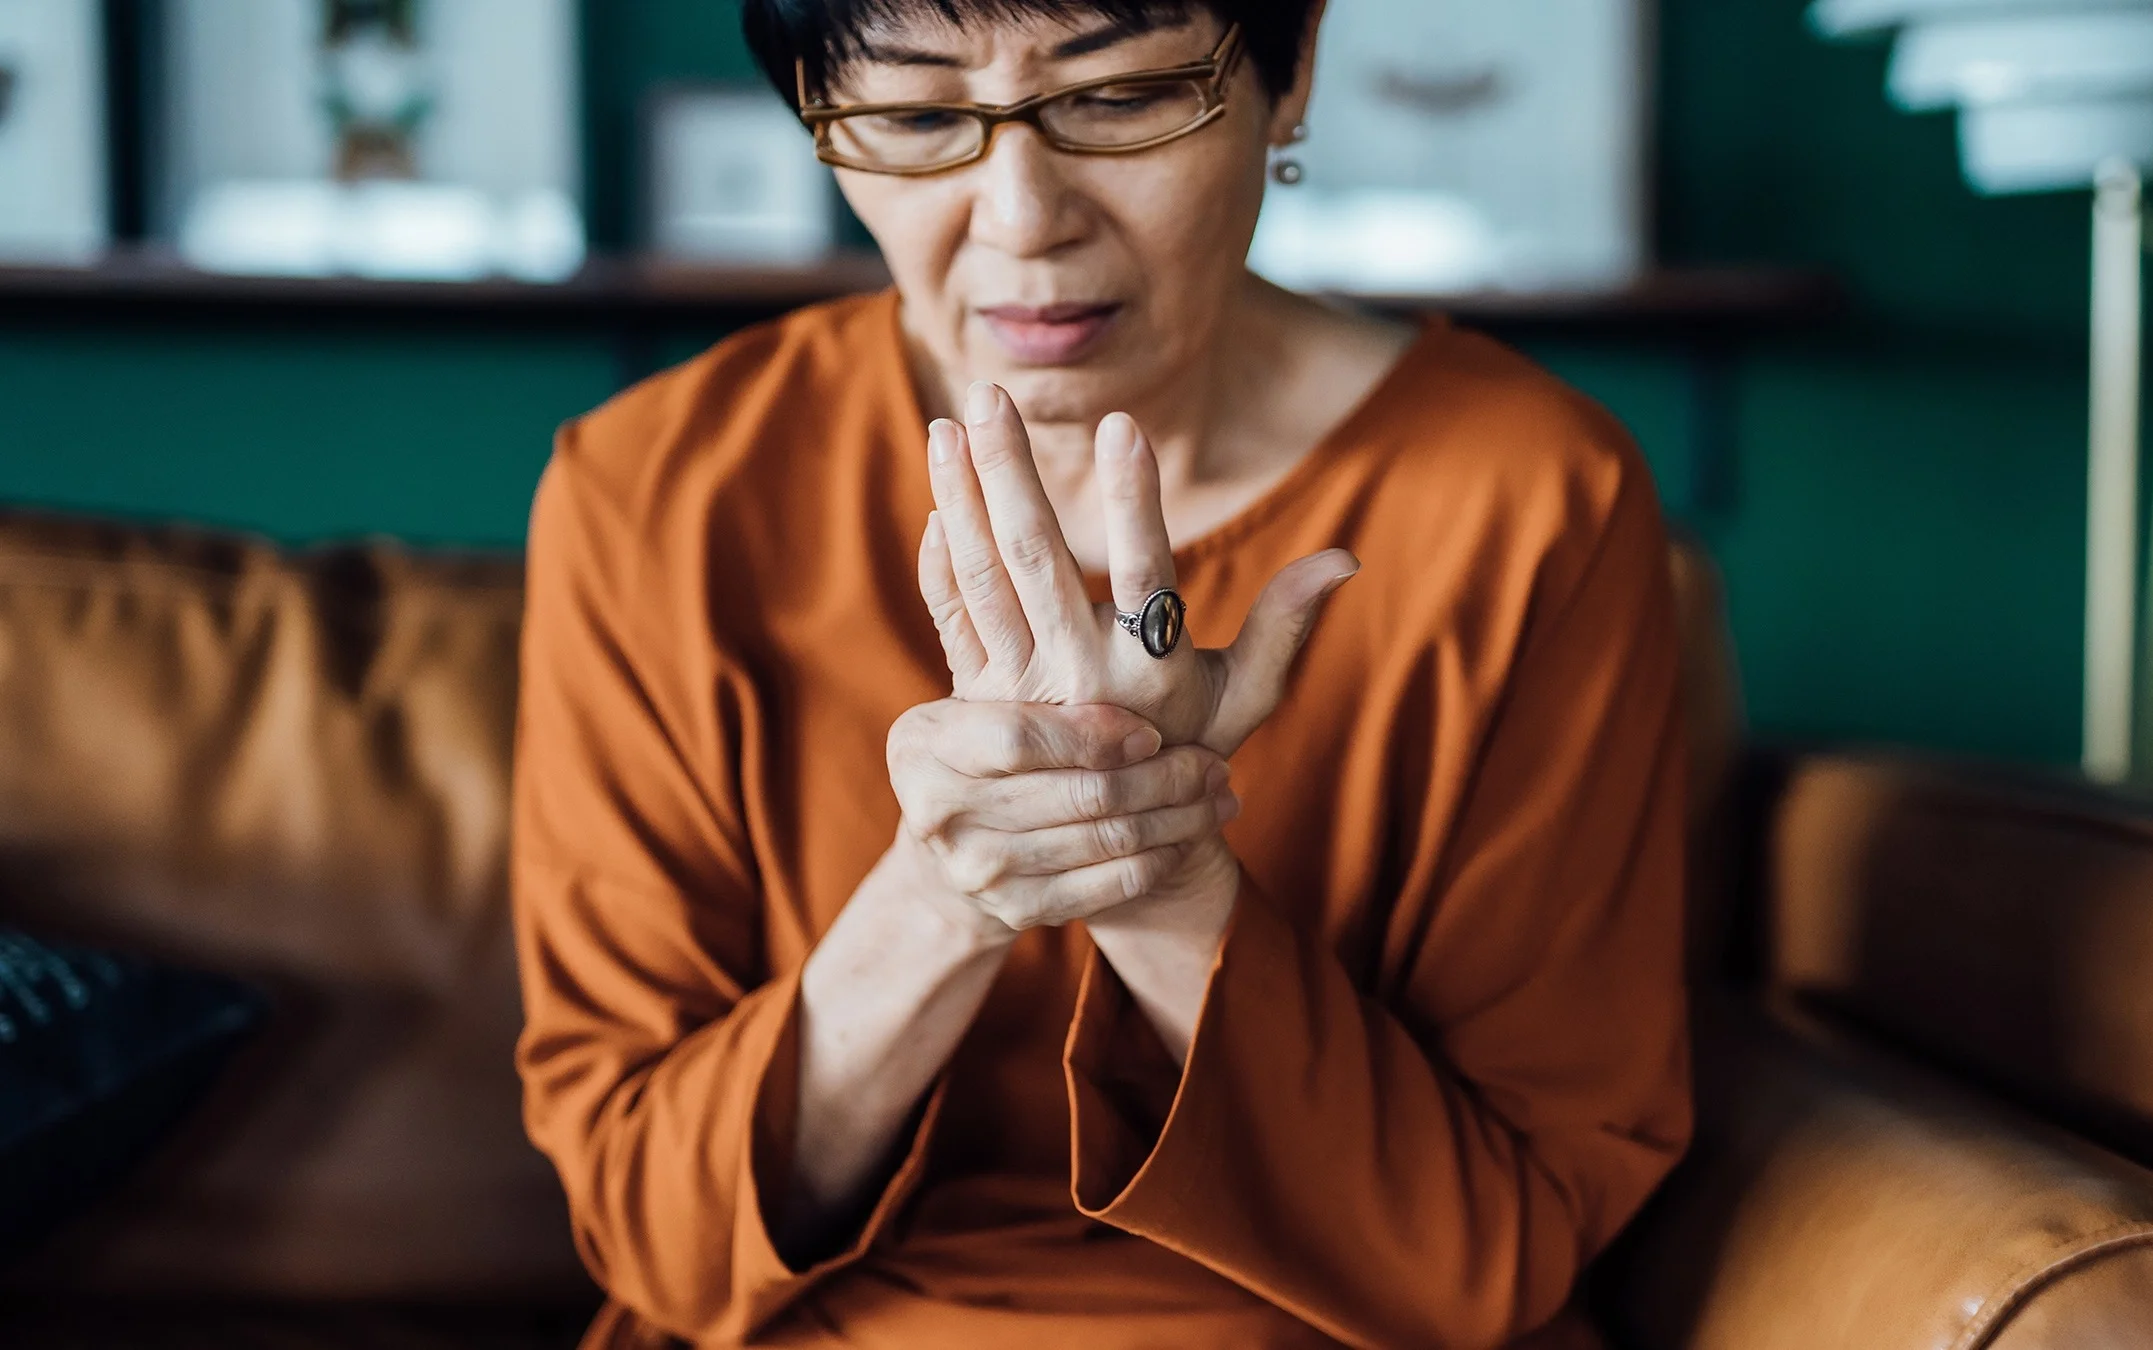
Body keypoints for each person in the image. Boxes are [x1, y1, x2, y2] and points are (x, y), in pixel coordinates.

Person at [510, 1, 1691, 1346]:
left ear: (1289, 71)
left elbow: (1495, 1252)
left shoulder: (1530, 500)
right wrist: (951, 887)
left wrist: (1163, 867)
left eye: (1121, 99)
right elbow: (657, 1229)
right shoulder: (654, 494)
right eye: (912, 118)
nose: (1022, 219)